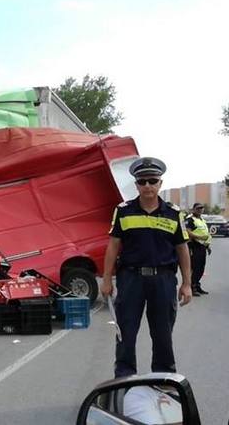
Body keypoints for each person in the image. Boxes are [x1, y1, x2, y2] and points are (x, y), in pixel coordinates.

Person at [100, 157, 192, 378]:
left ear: (160, 183)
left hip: (163, 280)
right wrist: (106, 280)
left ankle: (163, 378)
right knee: (126, 331)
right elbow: (113, 246)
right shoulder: (123, 211)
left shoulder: (173, 213)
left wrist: (187, 284)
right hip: (131, 279)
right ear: (136, 185)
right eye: (143, 181)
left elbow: (182, 249)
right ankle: (124, 377)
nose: (148, 186)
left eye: (153, 180)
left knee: (162, 333)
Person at [185, 203, 211, 296]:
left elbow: (205, 233)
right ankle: (192, 287)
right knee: (195, 267)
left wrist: (207, 246)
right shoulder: (190, 219)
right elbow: (188, 231)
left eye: (201, 208)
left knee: (201, 267)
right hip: (194, 245)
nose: (200, 210)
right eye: (198, 208)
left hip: (202, 246)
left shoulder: (202, 220)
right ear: (193, 209)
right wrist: (199, 237)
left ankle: (197, 285)